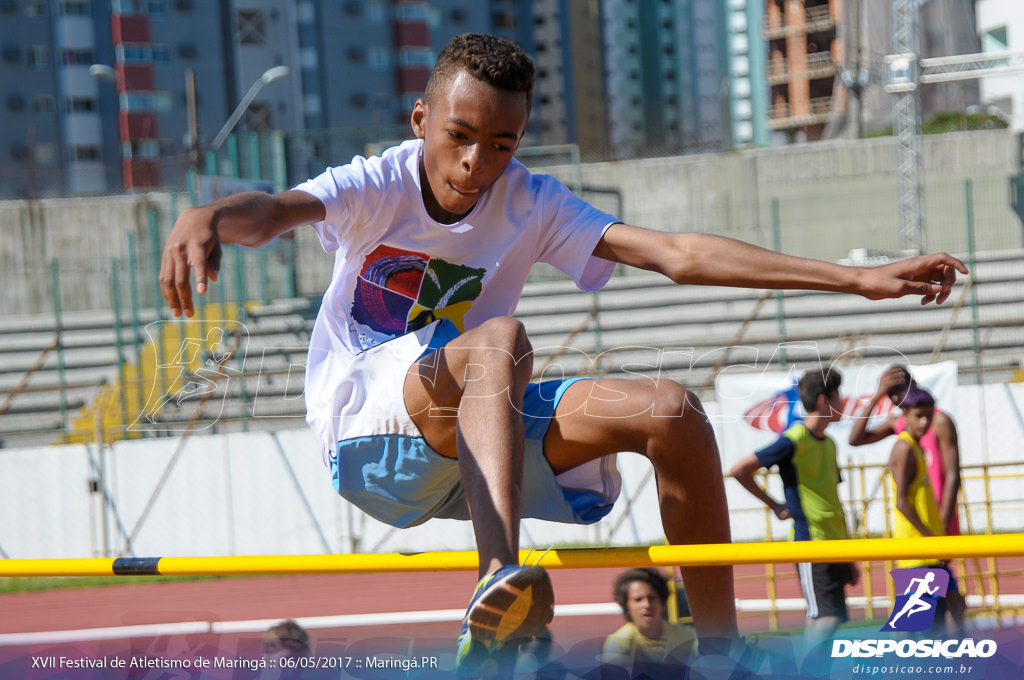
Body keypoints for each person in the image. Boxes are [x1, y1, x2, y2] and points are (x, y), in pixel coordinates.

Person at [158, 32, 966, 675]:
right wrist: (210, 215)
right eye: (460, 138)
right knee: (499, 341)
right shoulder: (380, 183)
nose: (477, 165)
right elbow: (274, 210)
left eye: (502, 144)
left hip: (475, 435)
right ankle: (496, 579)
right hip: (367, 430)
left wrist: (856, 280)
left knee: (671, 413)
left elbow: (678, 252)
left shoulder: (531, 201)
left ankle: (719, 653)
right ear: (420, 123)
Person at [729, 369, 858, 659]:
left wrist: (850, 553)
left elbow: (834, 500)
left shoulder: (829, 443)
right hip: (811, 542)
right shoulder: (794, 439)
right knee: (825, 619)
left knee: (826, 618)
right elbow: (740, 469)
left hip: (836, 543)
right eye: (839, 396)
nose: (844, 402)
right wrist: (774, 504)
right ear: (825, 400)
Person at [886, 386, 966, 635]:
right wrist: (930, 537)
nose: (925, 421)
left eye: (929, 415)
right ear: (905, 414)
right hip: (918, 551)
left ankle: (957, 659)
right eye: (919, 415)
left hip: (929, 548)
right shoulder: (905, 448)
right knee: (921, 624)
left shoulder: (918, 447)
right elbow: (901, 502)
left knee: (954, 605)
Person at [848, 365, 961, 536]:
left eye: (900, 391)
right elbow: (855, 439)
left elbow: (952, 474)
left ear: (913, 384)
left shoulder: (939, 421)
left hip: (938, 510)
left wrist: (943, 522)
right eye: (890, 394)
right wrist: (876, 396)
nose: (896, 398)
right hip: (915, 515)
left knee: (943, 561)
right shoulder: (899, 422)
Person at [602, 568, 697, 675]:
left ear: (662, 601)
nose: (647, 605)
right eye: (638, 599)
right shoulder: (617, 644)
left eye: (651, 598)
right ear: (626, 605)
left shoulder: (686, 636)